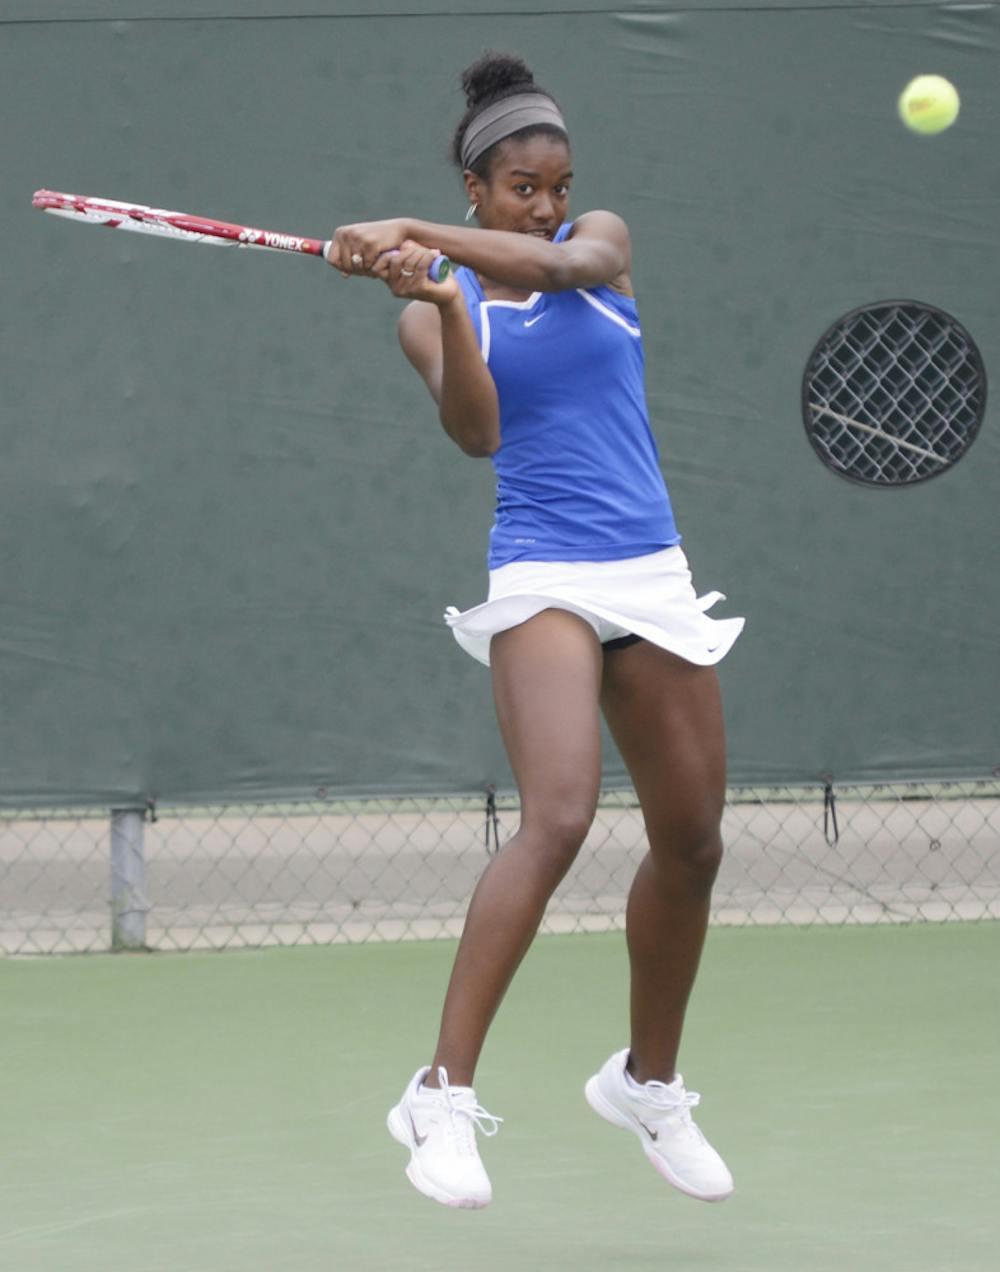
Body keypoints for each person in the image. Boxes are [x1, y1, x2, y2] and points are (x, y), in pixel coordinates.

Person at [327, 51, 744, 1211]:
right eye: (521, 188)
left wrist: (420, 234)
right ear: (479, 186)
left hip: (650, 570)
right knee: (558, 813)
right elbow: (477, 434)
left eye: (555, 183)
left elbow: (568, 261)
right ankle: (440, 1095)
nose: (547, 203)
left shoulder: (595, 251)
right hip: (544, 571)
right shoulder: (441, 305)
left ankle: (644, 1083)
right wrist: (440, 308)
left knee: (694, 842)